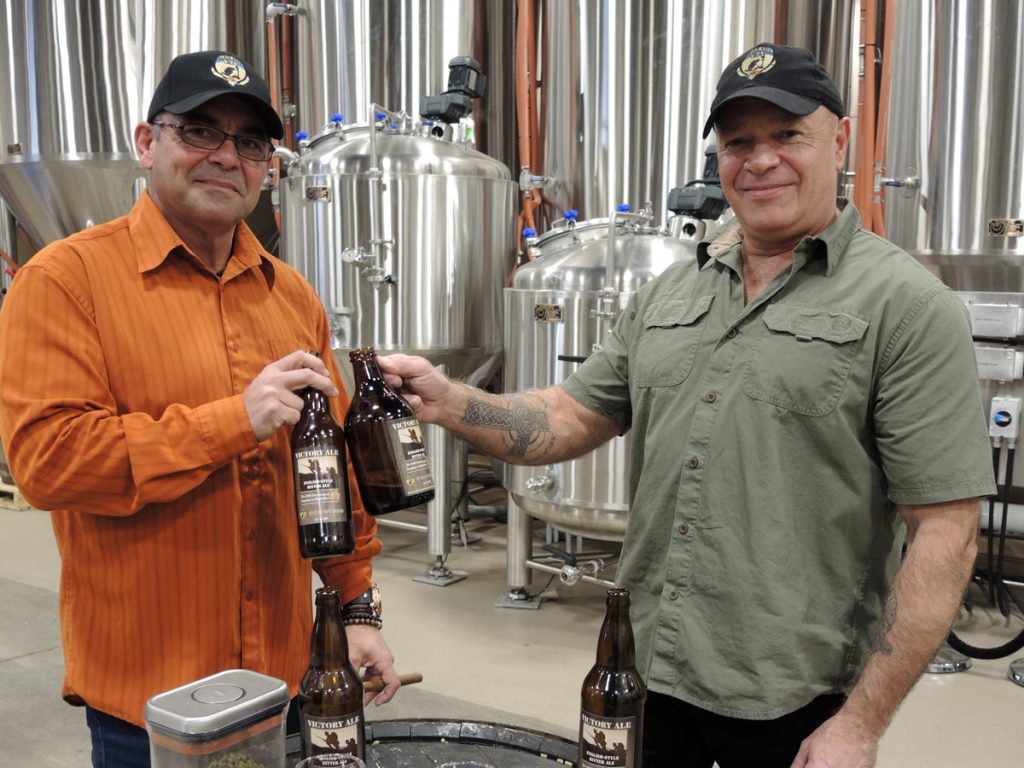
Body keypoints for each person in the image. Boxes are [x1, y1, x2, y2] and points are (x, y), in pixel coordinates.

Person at [376, 43, 995, 768]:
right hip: (648, 667)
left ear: (842, 139)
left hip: (795, 696)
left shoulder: (907, 306)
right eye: (739, 142)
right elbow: (570, 417)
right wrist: (450, 399)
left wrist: (860, 726)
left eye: (787, 135)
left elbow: (946, 537)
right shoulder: (671, 293)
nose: (759, 159)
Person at [0, 51, 399, 767]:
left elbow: (328, 473)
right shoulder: (65, 281)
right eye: (200, 132)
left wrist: (357, 606)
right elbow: (50, 464)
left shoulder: (292, 297)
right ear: (147, 142)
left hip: (283, 689)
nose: (226, 157)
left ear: (267, 167)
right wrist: (233, 422)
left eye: (250, 144)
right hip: (148, 706)